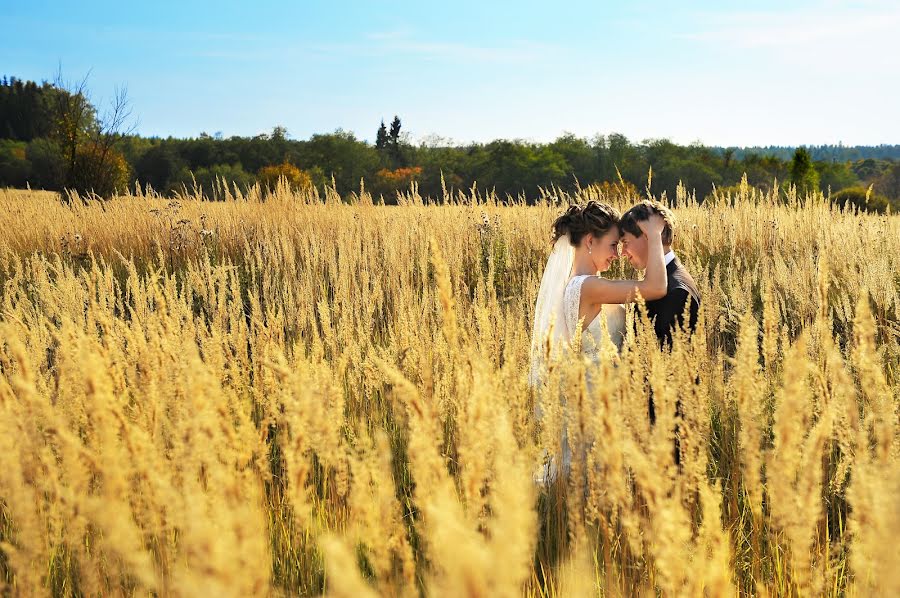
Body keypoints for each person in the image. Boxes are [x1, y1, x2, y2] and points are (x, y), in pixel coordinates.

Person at [530, 201, 668, 484]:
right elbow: (655, 287)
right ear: (590, 242)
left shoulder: (578, 284)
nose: (617, 255)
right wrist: (654, 235)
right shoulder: (587, 287)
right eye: (613, 245)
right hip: (597, 398)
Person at [619, 200, 701, 465]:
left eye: (626, 242)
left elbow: (667, 372)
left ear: (647, 236)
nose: (623, 252)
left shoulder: (676, 290)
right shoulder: (664, 280)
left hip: (666, 430)